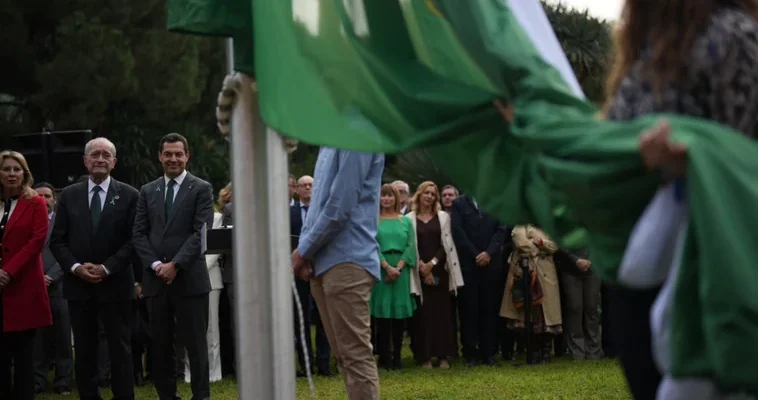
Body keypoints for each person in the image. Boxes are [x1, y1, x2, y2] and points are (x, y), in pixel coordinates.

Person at [603, 1, 758, 398]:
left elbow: (746, 157)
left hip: (705, 256)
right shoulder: (645, 47)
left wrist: (689, 157)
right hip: (641, 255)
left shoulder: (732, 36)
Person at [50, 137, 139, 400]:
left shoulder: (130, 195)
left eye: (106, 155)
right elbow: (57, 239)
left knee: (120, 348)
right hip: (79, 286)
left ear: (114, 162)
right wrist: (76, 268)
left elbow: (135, 239)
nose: (100, 159)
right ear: (85, 161)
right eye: (95, 154)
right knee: (85, 349)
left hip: (117, 284)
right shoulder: (68, 195)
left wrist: (107, 268)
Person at [291, 148, 384, 400]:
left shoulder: (358, 134)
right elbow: (317, 205)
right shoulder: (329, 141)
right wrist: (308, 253)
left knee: (355, 355)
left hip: (348, 259)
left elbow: (340, 204)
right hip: (323, 261)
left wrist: (303, 251)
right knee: (343, 356)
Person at [133, 132, 214, 400]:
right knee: (160, 346)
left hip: (190, 280)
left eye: (178, 154)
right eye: (168, 154)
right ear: (160, 156)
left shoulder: (201, 188)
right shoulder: (147, 190)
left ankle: (200, 396)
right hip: (156, 282)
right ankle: (167, 396)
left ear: (187, 156)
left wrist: (175, 265)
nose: (173, 159)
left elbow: (200, 232)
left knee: (196, 346)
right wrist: (157, 265)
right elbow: (139, 234)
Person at [0, 151, 52, 400]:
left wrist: (8, 272)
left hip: (23, 287)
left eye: (16, 169)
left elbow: (37, 241)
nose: (11, 174)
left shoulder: (36, 202)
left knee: (23, 357)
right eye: (6, 169)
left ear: (25, 173)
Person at [407, 181, 464, 370]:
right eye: (426, 193)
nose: (429, 196)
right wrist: (422, 268)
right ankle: (424, 357)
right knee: (422, 316)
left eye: (433, 194)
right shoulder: (409, 218)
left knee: (442, 315)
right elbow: (410, 246)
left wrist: (432, 265)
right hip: (418, 272)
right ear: (419, 195)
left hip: (440, 270)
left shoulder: (442, 218)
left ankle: (443, 356)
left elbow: (446, 244)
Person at [450, 195, 507, 366]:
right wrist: (476, 254)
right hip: (469, 264)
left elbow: (502, 229)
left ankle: (488, 353)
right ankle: (470, 353)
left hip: (492, 264)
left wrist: (488, 252)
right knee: (469, 309)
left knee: (489, 309)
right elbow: (458, 230)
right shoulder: (459, 203)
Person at [32, 182, 73, 395]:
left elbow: (68, 250)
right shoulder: (27, 220)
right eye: (39, 195)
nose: (44, 199)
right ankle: (37, 380)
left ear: (54, 200)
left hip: (59, 287)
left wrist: (51, 276)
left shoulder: (62, 222)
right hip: (31, 286)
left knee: (63, 336)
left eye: (48, 195)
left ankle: (63, 380)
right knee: (37, 337)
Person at [370, 184, 416, 371]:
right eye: (383, 196)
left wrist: (398, 267)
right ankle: (384, 357)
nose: (386, 199)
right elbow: (371, 245)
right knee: (383, 317)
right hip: (381, 269)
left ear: (396, 198)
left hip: (401, 270)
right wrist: (386, 267)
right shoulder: (374, 221)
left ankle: (397, 357)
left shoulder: (405, 221)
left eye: (390, 196)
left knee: (398, 317)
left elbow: (411, 246)